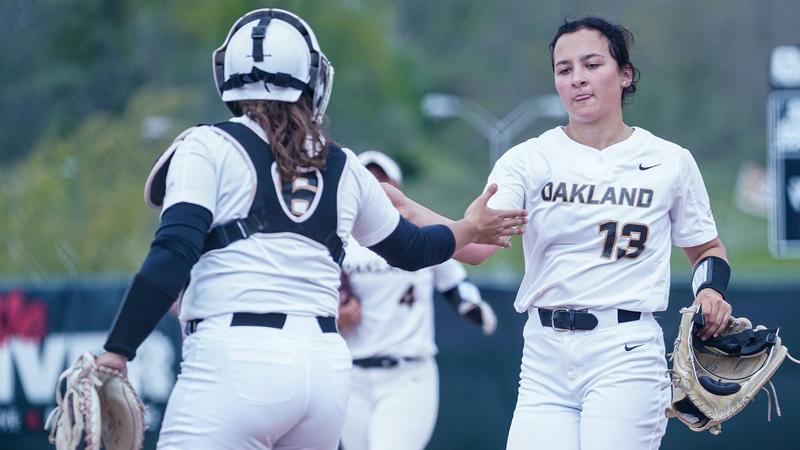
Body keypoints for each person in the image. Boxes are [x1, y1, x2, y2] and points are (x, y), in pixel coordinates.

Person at [92, 8, 526, 450]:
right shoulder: (344, 164)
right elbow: (412, 249)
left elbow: (173, 251)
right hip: (325, 371)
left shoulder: (207, 145)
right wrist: (466, 229)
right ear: (311, 79)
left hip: (234, 361)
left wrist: (118, 349)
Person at [384, 16, 733, 450]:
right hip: (545, 355)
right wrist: (407, 208)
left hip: (624, 349)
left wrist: (710, 292)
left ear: (625, 74)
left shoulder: (668, 161)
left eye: (591, 64)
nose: (577, 79)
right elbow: (474, 245)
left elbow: (707, 250)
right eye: (564, 69)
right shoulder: (529, 160)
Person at [337, 151, 497, 450]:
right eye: (368, 179)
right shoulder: (340, 239)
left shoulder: (415, 236)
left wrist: (472, 307)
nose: (375, 186)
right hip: (352, 372)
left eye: (382, 180)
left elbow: (455, 282)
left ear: (396, 187)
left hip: (407, 372)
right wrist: (337, 314)